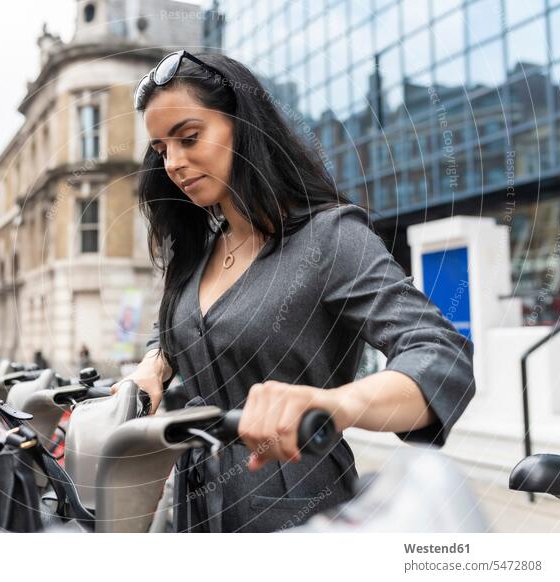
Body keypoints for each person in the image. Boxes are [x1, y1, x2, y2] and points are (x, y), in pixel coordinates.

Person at [112, 51, 476, 533]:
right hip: (197, 510)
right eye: (162, 149)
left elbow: (440, 354)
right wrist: (153, 365)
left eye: (189, 137)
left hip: (299, 511)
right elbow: (180, 330)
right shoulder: (198, 252)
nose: (175, 162)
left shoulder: (330, 238)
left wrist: (337, 404)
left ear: (243, 127)